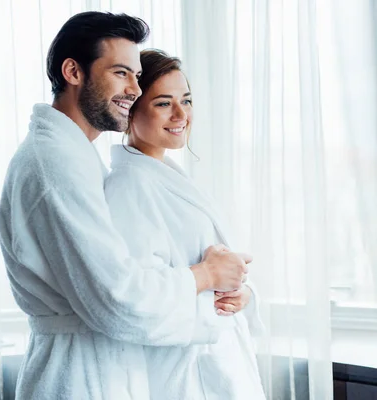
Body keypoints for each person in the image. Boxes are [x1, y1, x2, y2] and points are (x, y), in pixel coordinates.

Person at [0, 12, 251, 399]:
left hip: (104, 369)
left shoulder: (74, 156)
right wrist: (205, 275)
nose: (134, 89)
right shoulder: (55, 164)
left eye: (135, 75)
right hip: (78, 379)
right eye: (121, 73)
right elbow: (116, 297)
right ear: (73, 71)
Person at [104, 49, 266, 399]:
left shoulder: (166, 178)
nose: (181, 114)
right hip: (181, 374)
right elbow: (136, 297)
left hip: (214, 363)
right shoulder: (128, 188)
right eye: (163, 103)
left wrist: (238, 294)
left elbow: (201, 269)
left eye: (186, 100)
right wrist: (210, 284)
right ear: (130, 109)